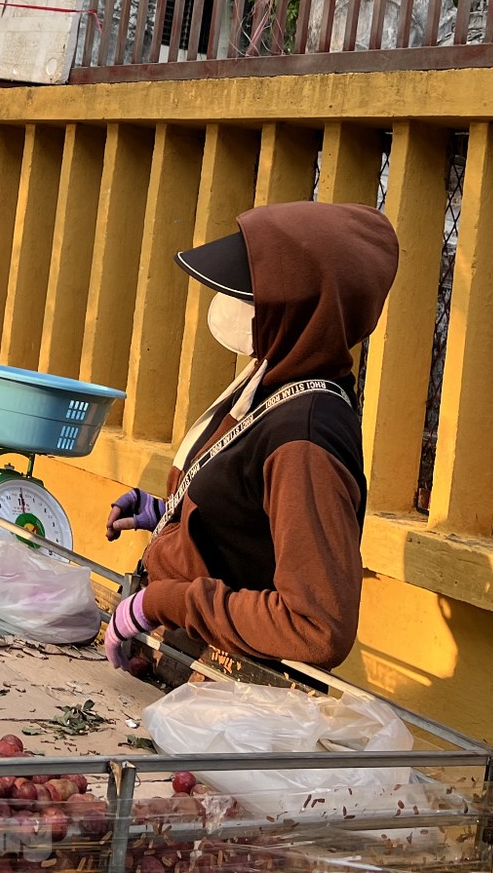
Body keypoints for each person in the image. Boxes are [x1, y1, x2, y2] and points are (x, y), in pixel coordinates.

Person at [102, 201, 399, 672]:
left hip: (231, 694)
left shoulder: (306, 439)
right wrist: (174, 513)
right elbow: (256, 515)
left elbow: (316, 626)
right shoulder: (275, 380)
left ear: (303, 308)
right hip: (188, 667)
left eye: (248, 295)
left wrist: (159, 604)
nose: (229, 306)